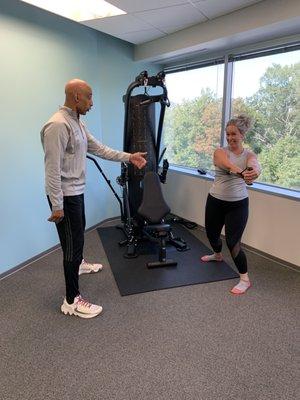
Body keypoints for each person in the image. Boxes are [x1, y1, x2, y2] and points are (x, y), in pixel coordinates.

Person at [41, 79, 147, 318]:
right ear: (76, 96)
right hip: (65, 198)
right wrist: (57, 204)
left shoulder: (77, 122)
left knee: (77, 238)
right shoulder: (57, 125)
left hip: (76, 192)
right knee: (71, 245)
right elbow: (51, 169)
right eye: (89, 97)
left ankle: (79, 264)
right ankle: (71, 300)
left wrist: (129, 157)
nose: (92, 103)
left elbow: (99, 148)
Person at [201, 115, 261, 295]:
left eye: (234, 134)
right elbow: (224, 164)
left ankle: (244, 279)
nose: (230, 138)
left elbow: (254, 165)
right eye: (228, 134)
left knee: (233, 242)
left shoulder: (249, 155)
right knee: (211, 234)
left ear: (242, 135)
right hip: (215, 201)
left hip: (238, 204)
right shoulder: (220, 151)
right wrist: (242, 173)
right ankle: (217, 255)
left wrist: (254, 172)